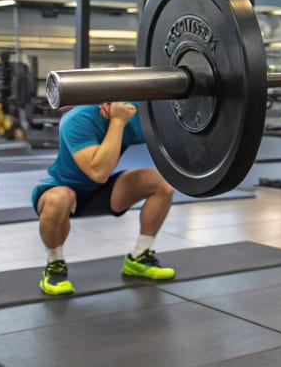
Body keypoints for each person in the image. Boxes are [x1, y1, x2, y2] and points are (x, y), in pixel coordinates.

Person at [32, 101, 177, 296]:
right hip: (62, 186)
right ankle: (54, 265)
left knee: (162, 184)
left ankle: (139, 257)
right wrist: (118, 120)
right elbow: (97, 171)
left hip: (103, 188)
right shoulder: (77, 120)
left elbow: (178, 134)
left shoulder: (138, 113)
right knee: (60, 198)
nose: (106, 105)